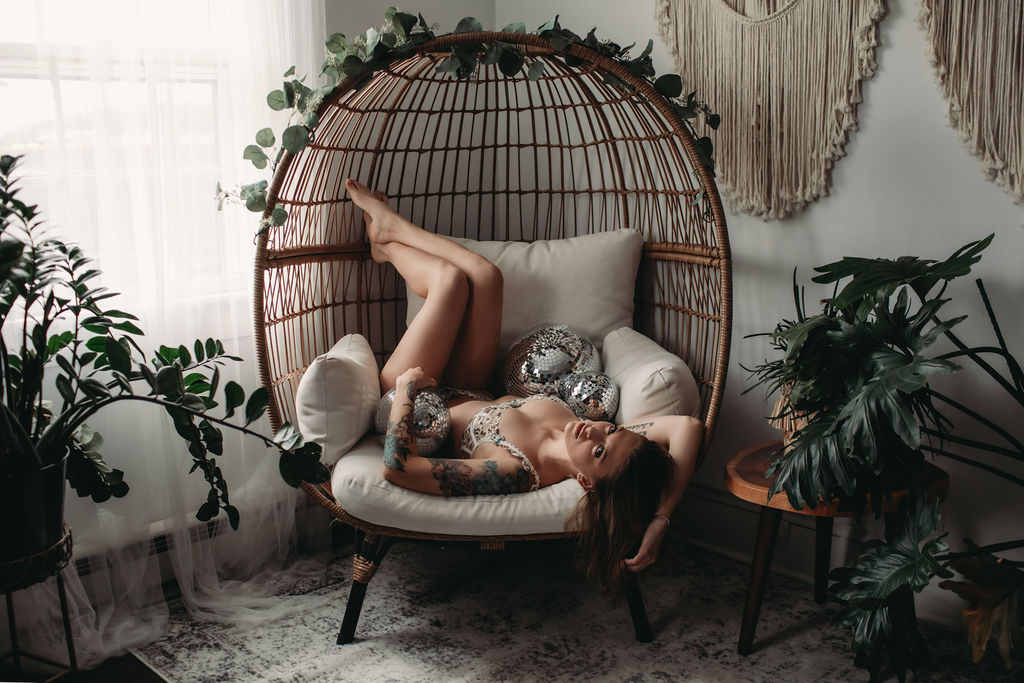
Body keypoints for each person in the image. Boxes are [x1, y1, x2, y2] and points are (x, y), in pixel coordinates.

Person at [346, 178, 703, 596]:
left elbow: (398, 469)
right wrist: (662, 518)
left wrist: (406, 390)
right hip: (470, 387)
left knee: (450, 281)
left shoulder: (514, 473)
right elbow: (687, 428)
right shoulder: (593, 435)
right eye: (611, 430)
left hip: (417, 402)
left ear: (587, 483)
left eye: (599, 452)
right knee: (486, 276)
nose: (595, 431)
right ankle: (386, 241)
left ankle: (388, 233)